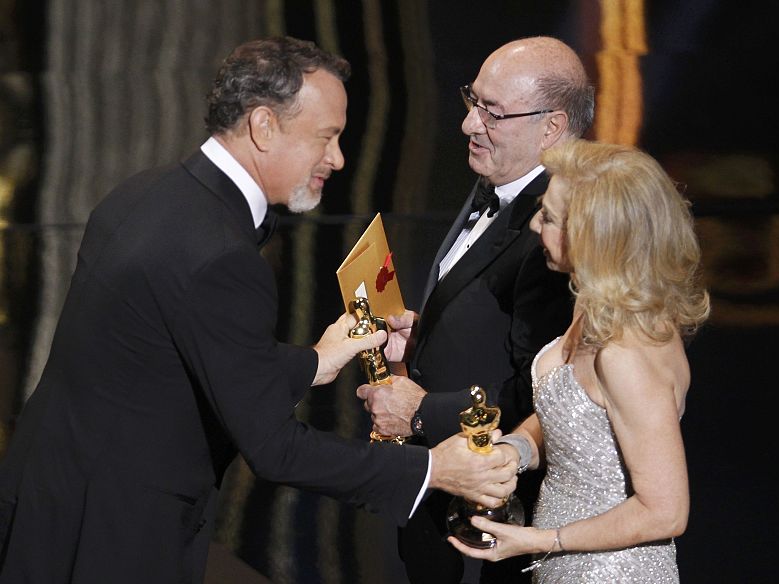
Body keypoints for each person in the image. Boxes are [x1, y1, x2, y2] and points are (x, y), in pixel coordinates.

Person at [0, 37, 519, 584]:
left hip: (49, 495)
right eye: (328, 137)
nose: (338, 159)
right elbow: (276, 450)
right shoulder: (221, 255)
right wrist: (435, 468)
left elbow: (174, 357)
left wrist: (314, 363)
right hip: (116, 530)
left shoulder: (144, 192)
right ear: (264, 126)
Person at [357, 36, 594, 583]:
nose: (468, 123)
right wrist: (428, 337)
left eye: (493, 111)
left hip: (494, 519)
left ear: (551, 128)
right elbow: (492, 328)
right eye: (473, 100)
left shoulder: (561, 232)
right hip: (441, 501)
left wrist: (420, 412)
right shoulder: (498, 181)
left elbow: (553, 397)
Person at [448, 139, 711, 582]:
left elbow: (666, 512)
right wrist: (516, 449)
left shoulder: (626, 354)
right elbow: (575, 415)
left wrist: (540, 540)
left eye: (549, 217)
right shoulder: (595, 305)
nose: (534, 224)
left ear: (592, 236)